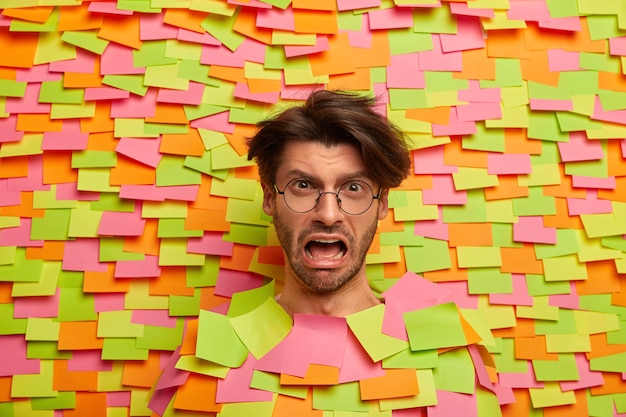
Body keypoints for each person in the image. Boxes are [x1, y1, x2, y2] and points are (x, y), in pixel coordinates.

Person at [148, 90, 504, 416]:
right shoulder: (206, 356)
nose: (329, 214)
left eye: (354, 187)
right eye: (303, 185)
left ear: (381, 204)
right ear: (270, 198)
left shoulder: (450, 350)